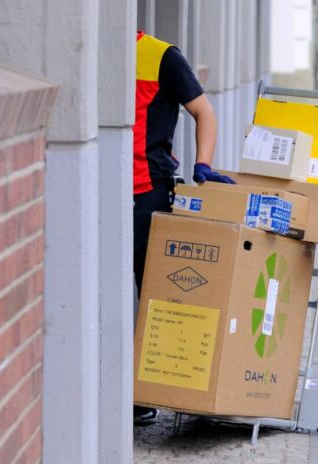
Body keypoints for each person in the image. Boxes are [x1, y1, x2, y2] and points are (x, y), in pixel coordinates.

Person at [133, 31, 234, 424]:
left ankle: (144, 394)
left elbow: (205, 112)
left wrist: (203, 164)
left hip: (147, 194)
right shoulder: (85, 48)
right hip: (102, 187)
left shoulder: (162, 57)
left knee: (150, 296)